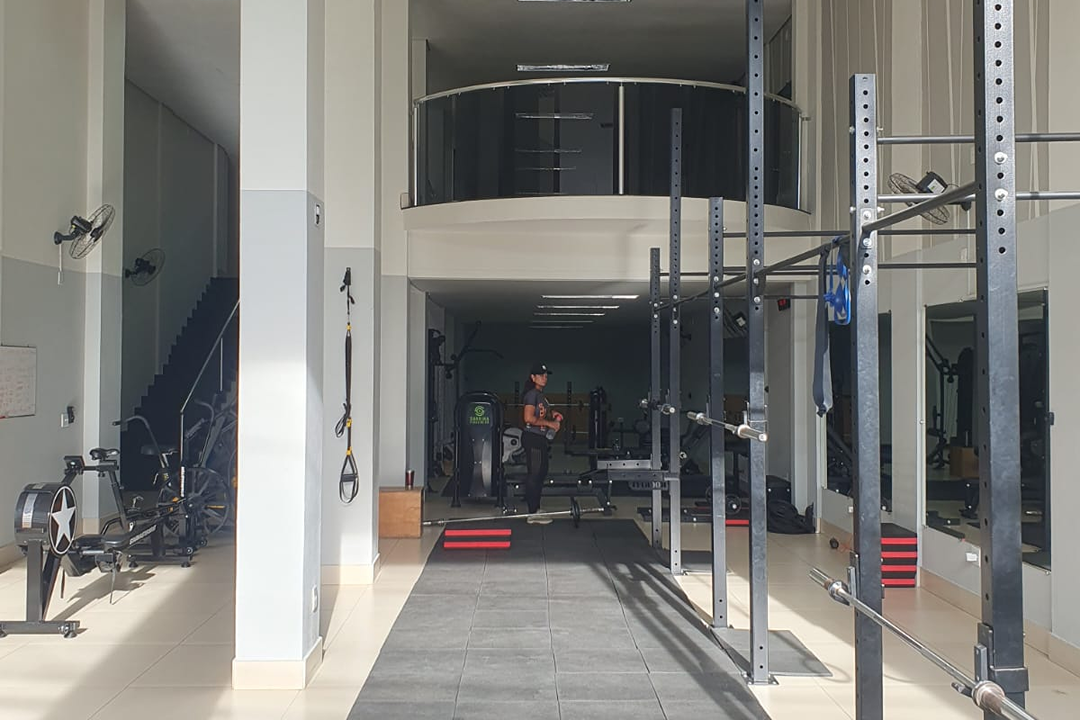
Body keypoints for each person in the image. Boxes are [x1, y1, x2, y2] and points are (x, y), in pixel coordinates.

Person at [521, 363, 562, 523]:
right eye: (541, 375)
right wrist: (550, 423)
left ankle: (536, 508)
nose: (544, 378)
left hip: (540, 438)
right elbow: (528, 418)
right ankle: (532, 513)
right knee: (535, 474)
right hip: (532, 438)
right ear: (533, 377)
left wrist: (554, 414)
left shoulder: (541, 396)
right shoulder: (531, 395)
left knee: (541, 473)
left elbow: (543, 412)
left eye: (545, 375)